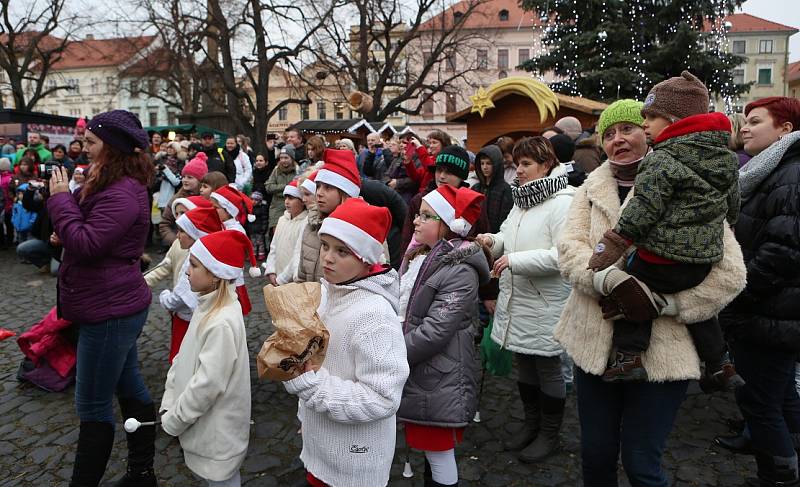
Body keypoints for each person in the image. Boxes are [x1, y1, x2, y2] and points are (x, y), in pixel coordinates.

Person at [553, 99, 746, 487]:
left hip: (664, 352)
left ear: (651, 132)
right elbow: (569, 249)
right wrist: (605, 280)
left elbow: (730, 274)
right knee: (596, 454)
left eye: (627, 129)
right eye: (608, 134)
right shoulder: (589, 190)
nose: (618, 139)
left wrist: (671, 304)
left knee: (642, 462)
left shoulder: (689, 183)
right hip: (593, 342)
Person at [587, 72, 741, 389]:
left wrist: (615, 241)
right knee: (702, 315)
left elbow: (643, 207)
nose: (646, 124)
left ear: (674, 120)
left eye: (651, 117)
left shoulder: (662, 159)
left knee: (634, 292)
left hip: (660, 260)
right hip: (701, 262)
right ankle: (720, 363)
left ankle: (629, 357)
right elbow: (733, 205)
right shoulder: (725, 157)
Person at [46, 110, 160, 486]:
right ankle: (142, 473)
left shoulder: (123, 191)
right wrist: (66, 226)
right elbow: (86, 232)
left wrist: (61, 203)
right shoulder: (108, 180)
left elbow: (89, 244)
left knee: (93, 405)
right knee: (129, 386)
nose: (86, 149)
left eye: (93, 143)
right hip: (109, 302)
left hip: (109, 310)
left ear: (111, 147)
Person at [284, 198, 409, 487]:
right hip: (321, 445)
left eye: (342, 251)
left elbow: (382, 397)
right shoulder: (329, 293)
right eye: (325, 246)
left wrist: (309, 385)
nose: (327, 257)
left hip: (353, 463)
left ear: (365, 257)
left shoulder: (374, 316)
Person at [476, 137, 575, 462]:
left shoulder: (564, 202)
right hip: (519, 300)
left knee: (547, 368)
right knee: (525, 365)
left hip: (545, 303)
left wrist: (514, 261)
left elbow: (562, 255)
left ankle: (549, 434)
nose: (518, 171)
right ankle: (531, 425)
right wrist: (493, 240)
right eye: (516, 164)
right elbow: (508, 235)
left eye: (525, 164)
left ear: (546, 165)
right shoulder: (523, 201)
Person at [719, 96, 800, 486]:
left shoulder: (790, 174)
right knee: (781, 395)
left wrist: (737, 292)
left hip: (768, 312)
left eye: (755, 121)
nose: (745, 128)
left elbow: (783, 253)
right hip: (773, 312)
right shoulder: (773, 169)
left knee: (760, 402)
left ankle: (779, 475)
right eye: (745, 121)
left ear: (784, 129)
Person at [398, 185, 489, 486]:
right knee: (428, 449)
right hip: (424, 369)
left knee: (439, 453)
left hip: (440, 373)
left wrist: (394, 352)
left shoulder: (459, 270)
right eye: (418, 215)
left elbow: (435, 330)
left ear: (449, 225)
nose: (415, 221)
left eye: (426, 216)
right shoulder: (421, 257)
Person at [161, 230, 253, 487]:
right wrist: (171, 397)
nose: (186, 271)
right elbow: (183, 357)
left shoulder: (221, 321)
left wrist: (176, 418)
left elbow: (208, 384)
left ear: (215, 275)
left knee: (222, 481)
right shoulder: (206, 306)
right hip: (203, 426)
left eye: (193, 264)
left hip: (217, 433)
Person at [146, 199, 216, 363]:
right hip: (180, 306)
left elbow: (183, 293)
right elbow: (164, 266)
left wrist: (167, 298)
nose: (178, 218)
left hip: (189, 306)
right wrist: (142, 282)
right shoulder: (178, 243)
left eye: (183, 214)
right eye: (176, 214)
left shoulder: (200, 251)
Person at [400, 145, 489, 253]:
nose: (442, 176)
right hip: (422, 263)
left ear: (461, 176)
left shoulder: (474, 203)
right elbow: (406, 239)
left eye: (449, 172)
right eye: (439, 170)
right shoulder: (420, 200)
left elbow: (482, 238)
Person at [296, 149, 362, 283]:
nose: (319, 193)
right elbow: (302, 276)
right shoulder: (311, 225)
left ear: (345, 193)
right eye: (318, 186)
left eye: (328, 188)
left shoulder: (362, 229)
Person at [263, 181, 308, 285]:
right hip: (278, 275)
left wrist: (282, 279)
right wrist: (271, 270)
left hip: (292, 280)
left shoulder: (305, 223)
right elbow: (273, 247)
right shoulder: (282, 220)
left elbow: (298, 255)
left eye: (291, 198)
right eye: (286, 198)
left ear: (302, 201)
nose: (287, 202)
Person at [159, 152, 208, 247]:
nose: (185, 180)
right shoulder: (177, 198)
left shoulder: (207, 199)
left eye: (190, 177)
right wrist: (176, 242)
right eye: (184, 176)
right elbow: (164, 224)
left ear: (200, 180)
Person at [472, 144, 513, 233]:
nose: (484, 167)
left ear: (496, 164)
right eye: (482, 163)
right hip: (475, 238)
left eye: (489, 163)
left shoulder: (505, 190)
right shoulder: (475, 188)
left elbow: (504, 221)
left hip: (495, 240)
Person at [264, 144, 297, 232]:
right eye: (281, 158)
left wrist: (278, 189)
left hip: (293, 208)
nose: (283, 160)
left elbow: (297, 188)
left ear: (292, 158)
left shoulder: (297, 171)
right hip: (277, 208)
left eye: (286, 158)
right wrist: (285, 186)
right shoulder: (276, 170)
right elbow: (269, 187)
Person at [382, 137, 418, 205]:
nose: (401, 145)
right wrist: (389, 182)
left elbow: (416, 179)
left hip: (407, 195)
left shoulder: (416, 159)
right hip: (393, 192)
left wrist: (398, 183)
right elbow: (387, 174)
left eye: (404, 143)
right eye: (400, 142)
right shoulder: (397, 159)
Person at [153, 141, 185, 212]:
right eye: (168, 148)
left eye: (172, 148)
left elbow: (176, 181)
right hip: (158, 188)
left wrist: (165, 170)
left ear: (176, 150)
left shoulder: (180, 162)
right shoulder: (161, 159)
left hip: (173, 191)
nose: (170, 150)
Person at [247, 191, 269, 261]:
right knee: (253, 242)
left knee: (260, 242)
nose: (253, 201)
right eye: (252, 199)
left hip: (259, 229)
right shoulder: (250, 208)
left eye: (256, 200)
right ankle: (254, 254)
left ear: (259, 201)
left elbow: (264, 220)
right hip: (252, 229)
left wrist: (263, 228)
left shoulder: (262, 208)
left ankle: (261, 254)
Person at [0, 157, 13, 248]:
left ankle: (6, 241)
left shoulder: (8, 178)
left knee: (6, 223)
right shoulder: (11, 177)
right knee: (8, 223)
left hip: (6, 203)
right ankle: (8, 240)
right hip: (7, 203)